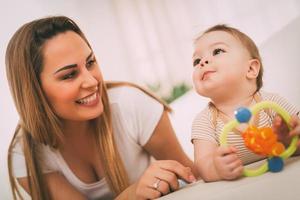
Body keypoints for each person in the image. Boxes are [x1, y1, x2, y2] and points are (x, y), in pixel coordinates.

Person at [6, 16, 197, 200]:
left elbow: (194, 180)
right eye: (69, 75)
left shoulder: (130, 104)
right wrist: (132, 195)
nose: (92, 81)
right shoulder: (27, 154)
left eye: (90, 63)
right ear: (33, 91)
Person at [191, 24, 300, 182]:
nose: (202, 62)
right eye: (196, 61)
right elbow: (203, 165)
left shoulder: (271, 104)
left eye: (217, 51)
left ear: (251, 69)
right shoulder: (204, 121)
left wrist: (290, 141)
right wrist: (215, 168)